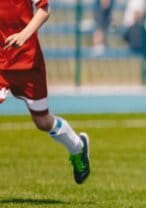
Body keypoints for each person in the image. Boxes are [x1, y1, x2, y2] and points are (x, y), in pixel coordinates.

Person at [1, 0, 91, 184]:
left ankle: (77, 147)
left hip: (27, 61)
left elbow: (44, 9)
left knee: (42, 121)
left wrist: (24, 35)